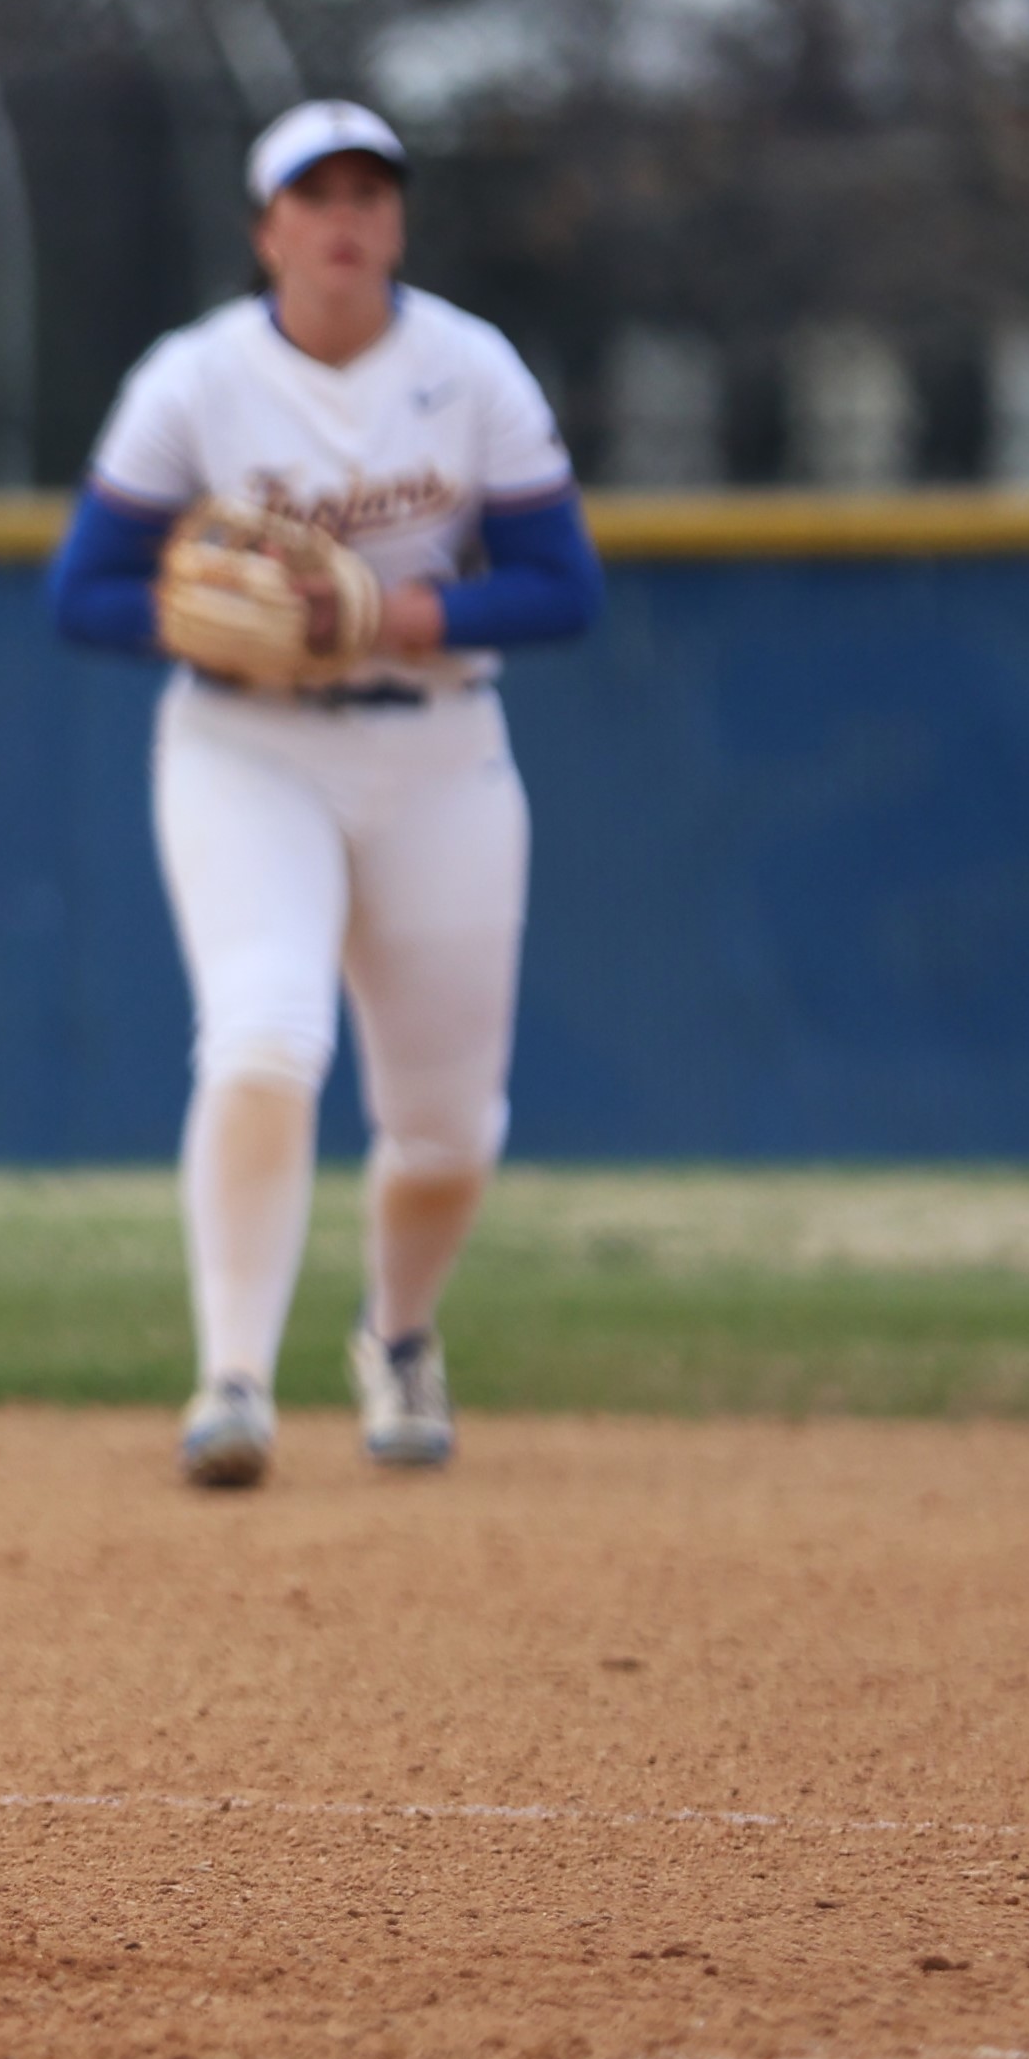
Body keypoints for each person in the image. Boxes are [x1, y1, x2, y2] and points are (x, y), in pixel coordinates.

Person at [46, 101, 601, 1485]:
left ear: (398, 223)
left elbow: (565, 586)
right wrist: (200, 618)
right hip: (249, 746)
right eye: (316, 195)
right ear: (267, 230)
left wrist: (403, 616)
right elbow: (83, 592)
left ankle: (397, 1334)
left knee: (447, 1130)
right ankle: (231, 1379)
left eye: (370, 194)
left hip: (438, 749)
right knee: (265, 1033)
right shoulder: (196, 380)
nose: (345, 219)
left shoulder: (469, 369)